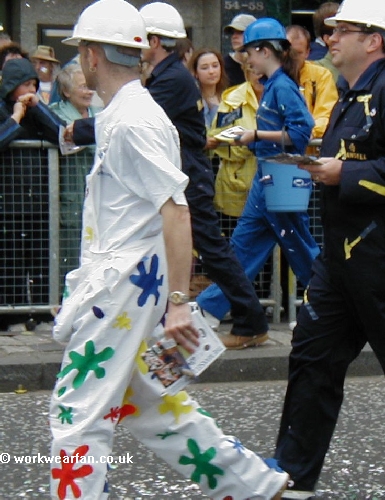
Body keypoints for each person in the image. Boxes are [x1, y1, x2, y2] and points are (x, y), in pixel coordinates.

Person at [49, 1, 290, 498]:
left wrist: (179, 301)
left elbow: (176, 210)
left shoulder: (131, 120)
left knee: (78, 412)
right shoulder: (129, 114)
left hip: (121, 288)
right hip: (126, 285)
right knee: (153, 404)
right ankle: (253, 487)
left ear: (92, 55)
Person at [273, 0, 385, 497]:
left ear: (374, 40)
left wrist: (344, 174)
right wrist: (321, 167)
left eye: (341, 30)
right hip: (339, 260)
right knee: (312, 358)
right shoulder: (350, 95)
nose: (329, 38)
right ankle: (293, 472)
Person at [69, 1, 271, 349]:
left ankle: (249, 318)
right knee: (203, 247)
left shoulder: (169, 81)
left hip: (184, 173)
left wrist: (75, 131)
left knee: (210, 248)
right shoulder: (168, 77)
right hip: (183, 170)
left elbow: (126, 122)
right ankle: (231, 318)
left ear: (155, 41)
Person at [196, 17, 319, 348]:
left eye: (249, 52)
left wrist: (254, 135)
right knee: (245, 246)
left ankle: (330, 307)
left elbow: (300, 131)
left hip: (281, 175)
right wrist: (251, 137)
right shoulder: (277, 85)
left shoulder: (281, 87)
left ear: (265, 51)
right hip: (271, 176)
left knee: (298, 248)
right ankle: (209, 310)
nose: (246, 59)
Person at [0, 58, 65, 306]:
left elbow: (62, 135)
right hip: (8, 203)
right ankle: (12, 312)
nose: (30, 90)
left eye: (34, 85)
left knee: (41, 260)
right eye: (25, 85)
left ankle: (42, 310)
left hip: (38, 201)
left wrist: (39, 109)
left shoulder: (37, 111)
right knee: (11, 262)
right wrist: (15, 119)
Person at [50, 64, 101, 276]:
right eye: (82, 87)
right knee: (71, 258)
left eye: (90, 86)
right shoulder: (55, 113)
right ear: (66, 91)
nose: (89, 92)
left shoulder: (100, 113)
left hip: (99, 194)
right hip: (71, 192)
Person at [210, 62, 264, 230]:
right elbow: (217, 136)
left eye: (262, 71)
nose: (259, 75)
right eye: (254, 71)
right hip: (236, 185)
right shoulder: (233, 99)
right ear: (247, 73)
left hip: (272, 183)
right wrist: (253, 144)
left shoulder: (281, 95)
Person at [286, 24, 338, 140]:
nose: (293, 57)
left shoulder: (321, 75)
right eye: (289, 51)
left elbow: (326, 114)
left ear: (307, 52)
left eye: (298, 53)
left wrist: (304, 133)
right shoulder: (271, 74)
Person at [189, 47, 228, 131]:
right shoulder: (193, 100)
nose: (211, 71)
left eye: (215, 66)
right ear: (195, 72)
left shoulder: (229, 97)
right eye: (204, 68)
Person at [222, 13, 257, 86]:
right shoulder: (222, 66)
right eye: (232, 32)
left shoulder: (263, 65)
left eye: (240, 32)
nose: (234, 36)